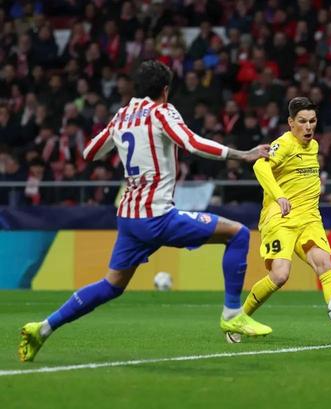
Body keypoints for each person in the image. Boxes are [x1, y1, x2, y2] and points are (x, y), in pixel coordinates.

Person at [19, 61, 272, 363]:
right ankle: (232, 314)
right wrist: (243, 154)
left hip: (129, 218)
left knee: (111, 285)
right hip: (157, 216)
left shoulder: (121, 116)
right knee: (238, 233)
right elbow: (191, 143)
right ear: (165, 90)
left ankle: (42, 329)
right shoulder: (161, 112)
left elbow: (89, 153)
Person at [242, 97, 331, 337]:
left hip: (309, 218)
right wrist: (279, 196)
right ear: (291, 122)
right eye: (302, 121)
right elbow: (259, 166)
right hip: (282, 218)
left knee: (325, 265)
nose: (308, 127)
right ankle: (239, 317)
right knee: (280, 275)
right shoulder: (284, 144)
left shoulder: (314, 146)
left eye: (312, 121)